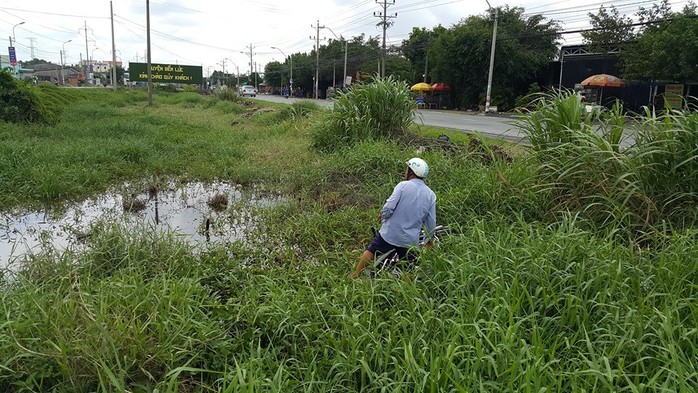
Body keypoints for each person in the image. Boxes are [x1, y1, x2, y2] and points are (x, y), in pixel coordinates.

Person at [351, 158, 437, 278]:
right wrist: (429, 241)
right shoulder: (431, 195)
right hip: (410, 240)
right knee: (409, 267)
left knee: (371, 251)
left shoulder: (402, 186)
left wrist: (383, 217)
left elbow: (389, 207)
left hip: (390, 234)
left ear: (411, 172)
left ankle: (355, 276)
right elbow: (431, 222)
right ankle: (405, 291)